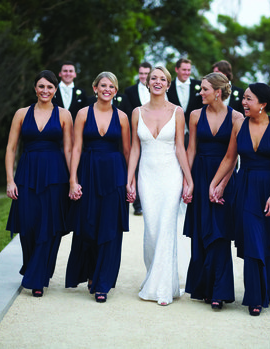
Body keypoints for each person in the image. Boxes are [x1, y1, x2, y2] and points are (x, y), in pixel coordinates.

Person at [209, 83, 270, 316]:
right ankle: (255, 298)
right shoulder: (239, 125)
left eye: (249, 99)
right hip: (246, 190)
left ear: (263, 103)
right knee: (253, 243)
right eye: (244, 99)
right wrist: (214, 184)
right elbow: (230, 158)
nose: (244, 103)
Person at [126, 66, 194, 306]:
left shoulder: (177, 111)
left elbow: (180, 147)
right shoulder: (136, 112)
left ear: (168, 84)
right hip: (147, 176)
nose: (157, 81)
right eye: (153, 78)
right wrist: (130, 178)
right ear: (147, 82)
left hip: (170, 176)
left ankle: (163, 288)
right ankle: (153, 277)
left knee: (166, 228)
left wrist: (188, 179)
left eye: (162, 79)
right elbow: (135, 148)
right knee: (151, 231)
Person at [5, 70, 73, 297]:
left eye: (50, 87)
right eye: (41, 86)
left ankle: (38, 278)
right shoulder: (21, 114)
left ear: (56, 90)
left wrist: (73, 180)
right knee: (28, 226)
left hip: (56, 176)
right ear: (35, 88)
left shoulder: (64, 115)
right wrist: (10, 180)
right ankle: (34, 267)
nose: (45, 91)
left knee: (50, 227)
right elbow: (11, 148)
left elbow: (69, 149)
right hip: (27, 175)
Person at [66, 72, 130, 303]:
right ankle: (92, 273)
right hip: (89, 172)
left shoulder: (122, 117)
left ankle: (103, 283)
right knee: (89, 226)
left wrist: (130, 182)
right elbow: (75, 148)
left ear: (115, 90)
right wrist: (73, 180)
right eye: (103, 85)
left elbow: (127, 151)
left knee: (110, 229)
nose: (107, 89)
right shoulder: (83, 114)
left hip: (114, 176)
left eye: (111, 86)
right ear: (95, 88)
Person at [183, 72, 244, 310]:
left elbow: (233, 156)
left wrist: (220, 185)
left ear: (218, 92)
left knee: (219, 235)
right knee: (200, 233)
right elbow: (191, 150)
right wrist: (188, 181)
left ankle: (219, 291)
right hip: (200, 175)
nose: (200, 93)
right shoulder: (195, 115)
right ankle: (203, 289)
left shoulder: (237, 117)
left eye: (204, 89)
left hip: (225, 179)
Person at [124, 62, 153, 216]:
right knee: (136, 167)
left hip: (155, 136)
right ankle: (137, 204)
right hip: (137, 134)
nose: (143, 76)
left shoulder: (159, 90)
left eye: (146, 73)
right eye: (141, 73)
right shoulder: (129, 91)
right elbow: (128, 113)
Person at [166, 58, 203, 147]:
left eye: (189, 70)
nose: (187, 73)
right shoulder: (168, 87)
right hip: (174, 133)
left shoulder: (199, 85)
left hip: (196, 132)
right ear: (176, 69)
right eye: (184, 70)